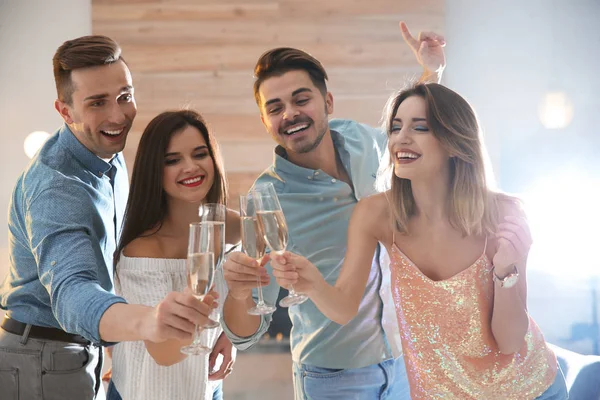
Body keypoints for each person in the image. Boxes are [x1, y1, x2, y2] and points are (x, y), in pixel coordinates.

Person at [271, 83, 568, 399]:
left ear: (454, 142)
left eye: (420, 127)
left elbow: (509, 341)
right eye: (396, 127)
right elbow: (344, 307)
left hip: (529, 389)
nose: (401, 138)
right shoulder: (375, 215)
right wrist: (312, 282)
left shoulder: (503, 214)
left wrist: (505, 269)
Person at [221, 22, 445, 399]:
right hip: (334, 379)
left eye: (301, 99)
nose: (290, 114)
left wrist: (432, 74)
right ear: (265, 123)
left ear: (327, 102)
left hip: (407, 361)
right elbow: (247, 330)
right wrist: (240, 293)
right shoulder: (267, 197)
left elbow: (417, 138)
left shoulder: (364, 140)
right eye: (275, 108)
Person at [0, 36, 214, 399]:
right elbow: (72, 291)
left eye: (125, 96)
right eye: (97, 103)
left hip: (79, 348)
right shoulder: (56, 187)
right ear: (66, 111)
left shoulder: (107, 153)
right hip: (41, 358)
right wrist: (146, 321)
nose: (118, 115)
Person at [106, 109, 239, 400]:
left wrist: (231, 336)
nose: (190, 167)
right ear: (155, 169)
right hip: (146, 391)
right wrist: (195, 298)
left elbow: (255, 280)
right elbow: (164, 354)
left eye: (199, 154)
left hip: (205, 388)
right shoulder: (143, 249)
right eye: (172, 160)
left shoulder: (230, 226)